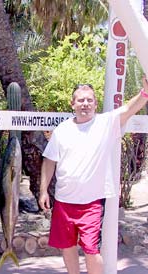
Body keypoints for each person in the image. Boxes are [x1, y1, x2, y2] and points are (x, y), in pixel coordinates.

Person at [39, 76, 148, 274]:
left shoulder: (106, 123)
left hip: (92, 203)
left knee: (91, 250)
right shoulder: (62, 130)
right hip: (63, 201)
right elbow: (49, 161)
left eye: (89, 100)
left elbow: (128, 109)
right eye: (80, 100)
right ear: (73, 104)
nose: (85, 104)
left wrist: (145, 92)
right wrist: (43, 191)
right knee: (67, 246)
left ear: (96, 103)